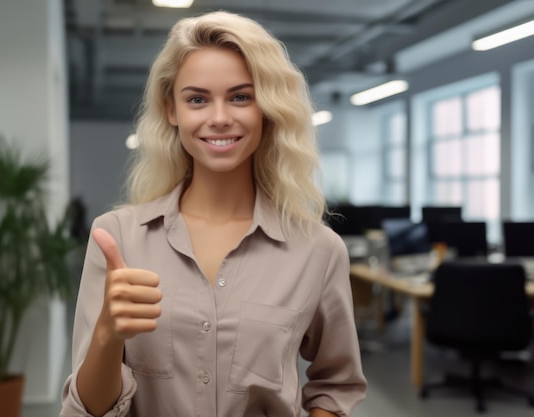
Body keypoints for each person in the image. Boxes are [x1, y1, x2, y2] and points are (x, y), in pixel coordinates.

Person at [60, 10, 366, 417]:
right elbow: (86, 411)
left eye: (240, 97)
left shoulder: (319, 250)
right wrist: (107, 334)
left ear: (266, 109)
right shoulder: (117, 237)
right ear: (172, 110)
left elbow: (336, 385)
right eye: (197, 99)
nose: (219, 118)